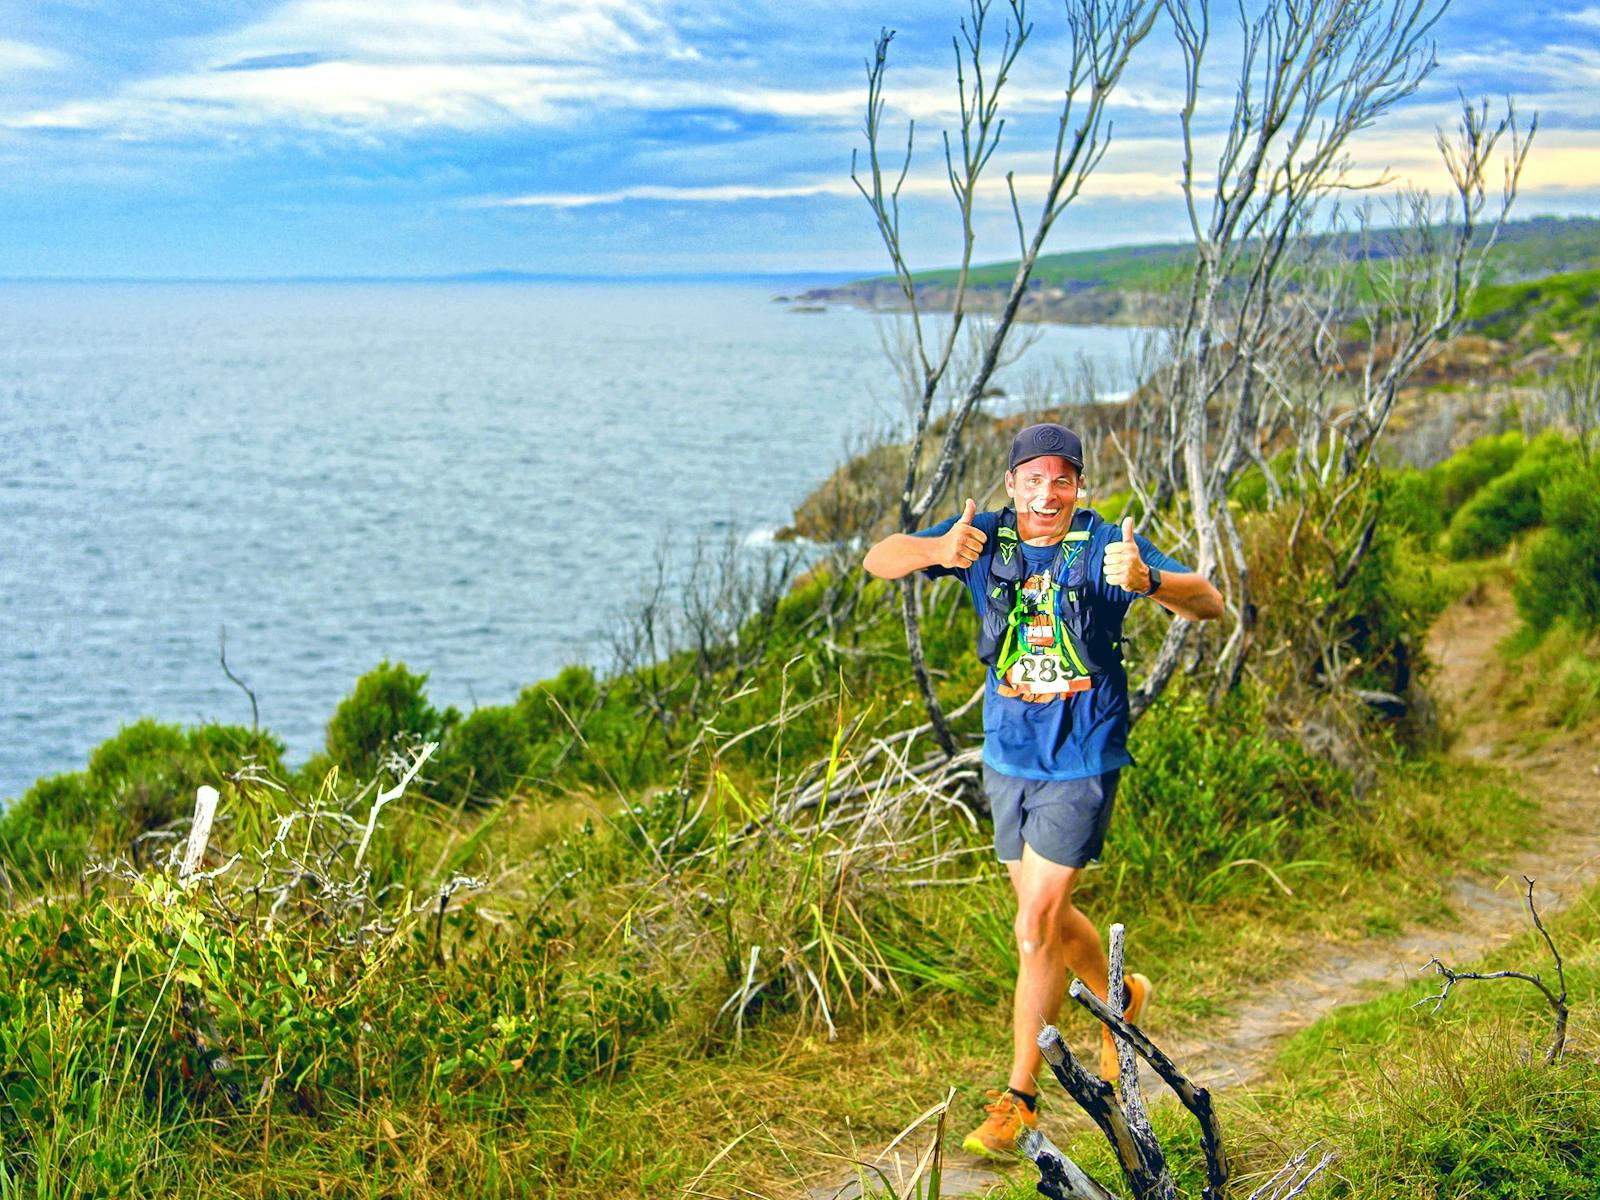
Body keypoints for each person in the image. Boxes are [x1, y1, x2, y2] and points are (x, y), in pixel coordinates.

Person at [861, 421, 1223, 1160]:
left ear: (1079, 486)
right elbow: (878, 558)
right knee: (1045, 921)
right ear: (1012, 484)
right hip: (1007, 758)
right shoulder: (983, 539)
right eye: (1034, 479)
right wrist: (936, 550)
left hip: (1081, 761)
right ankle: (1120, 998)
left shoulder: (1106, 548)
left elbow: (1209, 602)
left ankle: (1020, 1101)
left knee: (1033, 926)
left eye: (1062, 479)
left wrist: (1148, 582)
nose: (1048, 493)